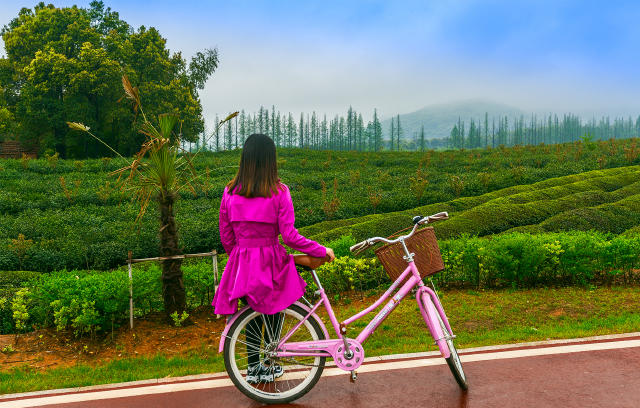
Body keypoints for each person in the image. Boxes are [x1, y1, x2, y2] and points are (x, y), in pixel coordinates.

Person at [212, 133, 335, 384]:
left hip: (241, 261)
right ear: (271, 160)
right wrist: (320, 250)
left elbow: (226, 236)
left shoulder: (230, 192)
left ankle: (254, 366)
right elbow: (289, 236)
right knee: (274, 308)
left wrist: (239, 257)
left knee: (250, 313)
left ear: (245, 159)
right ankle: (269, 361)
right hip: (270, 259)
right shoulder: (279, 192)